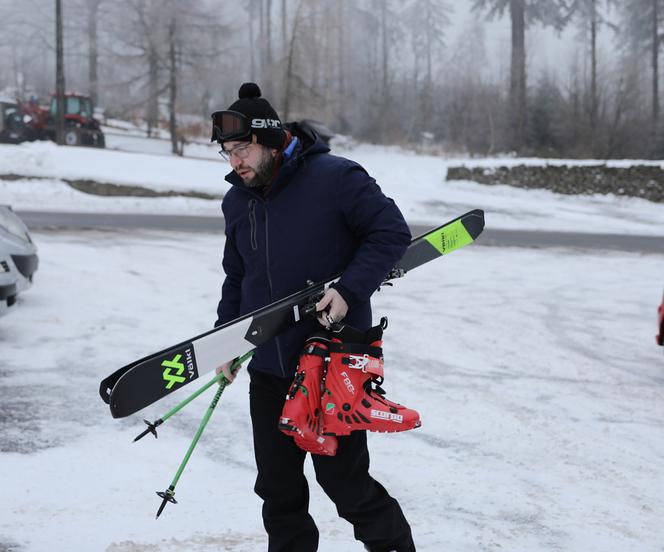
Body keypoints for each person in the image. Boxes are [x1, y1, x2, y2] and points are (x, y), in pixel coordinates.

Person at [212, 82, 416, 552]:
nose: (234, 161)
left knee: (347, 487)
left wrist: (349, 290)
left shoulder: (336, 178)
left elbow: (390, 234)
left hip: (332, 364)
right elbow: (236, 277)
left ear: (270, 138)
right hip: (268, 370)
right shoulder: (237, 201)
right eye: (226, 152)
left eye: (241, 149)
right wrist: (225, 342)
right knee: (278, 494)